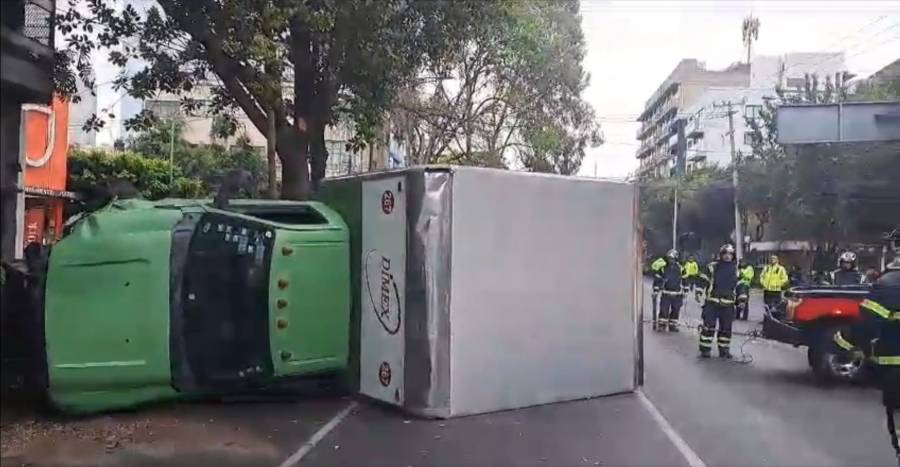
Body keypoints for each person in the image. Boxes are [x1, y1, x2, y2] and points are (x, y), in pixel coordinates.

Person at [832, 255, 899, 464]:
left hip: (893, 363)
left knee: (896, 411)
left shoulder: (884, 287)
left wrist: (852, 346)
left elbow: (866, 323)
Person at [697, 244, 739, 359]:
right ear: (721, 254)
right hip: (712, 302)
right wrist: (699, 291)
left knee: (726, 329)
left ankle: (724, 350)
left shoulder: (735, 269)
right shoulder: (712, 267)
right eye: (725, 253)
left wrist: (742, 298)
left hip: (728, 304)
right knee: (708, 327)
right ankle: (705, 350)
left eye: (730, 254)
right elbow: (703, 279)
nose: (727, 256)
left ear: (733, 256)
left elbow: (740, 285)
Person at [655, 249, 684, 332]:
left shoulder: (681, 268)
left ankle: (673, 326)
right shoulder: (663, 269)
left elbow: (685, 279)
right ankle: (661, 325)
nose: (671, 260)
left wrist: (685, 290)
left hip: (677, 293)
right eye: (670, 259)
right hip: (666, 293)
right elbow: (657, 280)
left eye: (673, 259)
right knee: (664, 310)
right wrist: (656, 290)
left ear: (676, 259)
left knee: (676, 310)